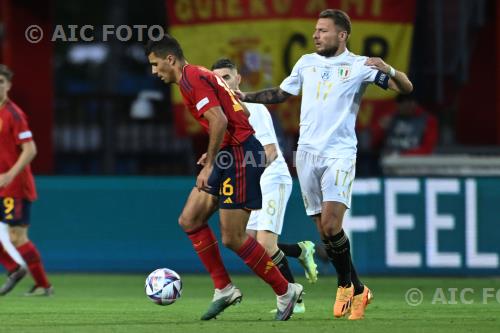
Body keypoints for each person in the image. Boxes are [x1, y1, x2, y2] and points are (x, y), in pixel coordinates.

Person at [238, 9, 413, 320]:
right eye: (316, 30)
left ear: (341, 35)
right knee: (324, 232)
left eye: (323, 31)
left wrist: (390, 68)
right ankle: (360, 290)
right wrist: (246, 95)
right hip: (306, 154)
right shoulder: (306, 63)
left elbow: (405, 88)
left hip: (339, 154)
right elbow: (280, 93)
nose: (316, 35)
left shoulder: (360, 66)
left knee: (333, 225)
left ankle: (345, 284)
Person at [145, 36, 303, 321]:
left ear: (170, 59)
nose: (154, 71)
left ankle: (285, 290)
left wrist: (210, 162)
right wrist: (214, 154)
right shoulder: (193, 78)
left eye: (156, 65)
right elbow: (230, 114)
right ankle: (224, 288)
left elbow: (220, 120)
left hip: (241, 154)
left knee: (233, 237)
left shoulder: (193, 78)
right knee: (190, 219)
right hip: (229, 153)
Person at [211, 58, 318, 314]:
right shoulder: (220, 113)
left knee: (266, 246)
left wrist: (242, 170)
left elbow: (269, 152)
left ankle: (295, 299)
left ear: (238, 80)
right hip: (254, 180)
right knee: (247, 242)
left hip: (272, 178)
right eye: (216, 79)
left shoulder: (251, 107)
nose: (221, 83)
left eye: (226, 77)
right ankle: (300, 250)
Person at [0, 64, 53, 296]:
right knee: (17, 237)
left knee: (17, 237)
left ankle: (42, 284)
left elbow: (30, 149)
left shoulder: (14, 114)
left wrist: (10, 174)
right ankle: (16, 270)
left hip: (14, 185)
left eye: (1, 82)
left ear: (8, 85)